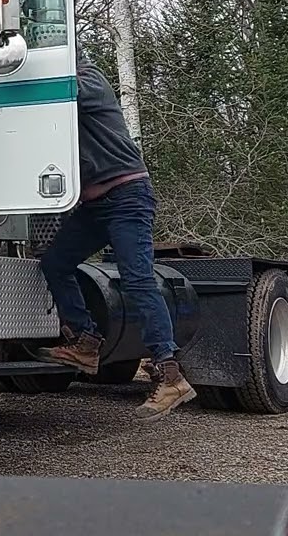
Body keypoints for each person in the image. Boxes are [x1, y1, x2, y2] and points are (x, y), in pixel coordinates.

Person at [34, 52, 195, 422]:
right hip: (92, 205)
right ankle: (86, 343)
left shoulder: (88, 79)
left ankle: (170, 375)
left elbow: (59, 90)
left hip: (126, 196)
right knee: (55, 263)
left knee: (138, 279)